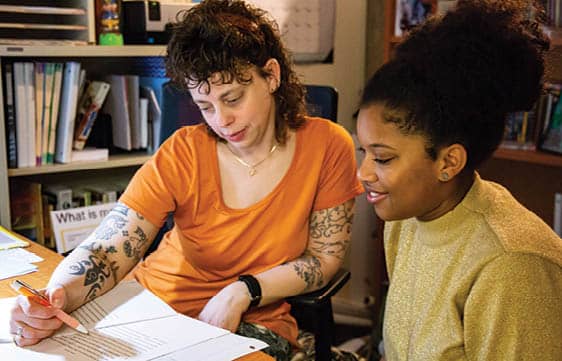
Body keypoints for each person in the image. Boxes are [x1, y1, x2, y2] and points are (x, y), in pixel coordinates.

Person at [9, 1, 364, 360]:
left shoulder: (328, 146)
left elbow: (324, 259)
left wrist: (244, 290)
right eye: (206, 106)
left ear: (271, 76)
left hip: (253, 319)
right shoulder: (184, 151)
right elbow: (109, 246)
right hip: (151, 306)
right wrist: (57, 295)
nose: (222, 120)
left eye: (233, 98)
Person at [356, 0, 562, 360]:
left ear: (449, 161)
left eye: (383, 158)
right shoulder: (404, 220)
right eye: (365, 152)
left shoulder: (512, 267)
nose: (364, 173)